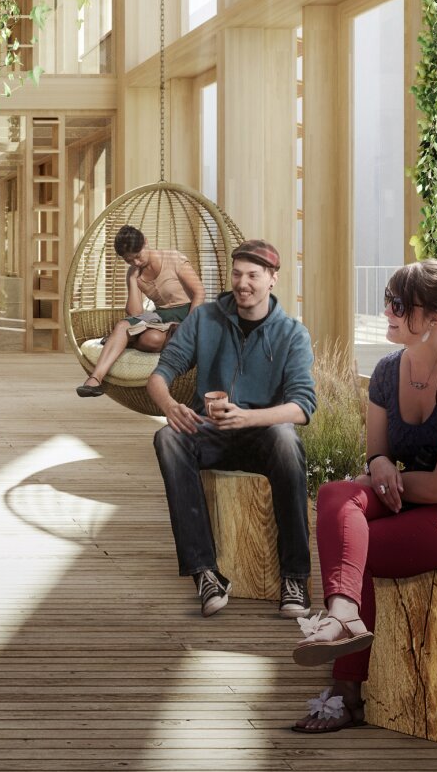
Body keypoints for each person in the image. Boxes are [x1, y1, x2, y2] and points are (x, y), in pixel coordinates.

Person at [290, 256, 437, 736]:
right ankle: (344, 614)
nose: (388, 311)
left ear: (435, 319)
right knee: (335, 495)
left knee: (361, 544)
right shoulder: (387, 370)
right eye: (387, 300)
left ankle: (346, 691)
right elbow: (377, 454)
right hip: (409, 493)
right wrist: (377, 468)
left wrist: (384, 477)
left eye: (400, 304)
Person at [148, 237, 317, 619]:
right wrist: (170, 406)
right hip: (210, 431)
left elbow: (302, 407)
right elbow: (160, 375)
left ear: (272, 278)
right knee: (168, 438)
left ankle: (295, 577)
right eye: (237, 274)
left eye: (253, 275)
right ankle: (205, 573)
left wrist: (249, 417)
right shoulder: (204, 318)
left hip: (263, 434)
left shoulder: (292, 334)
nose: (243, 283)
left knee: (287, 438)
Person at [78, 224, 203, 398]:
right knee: (123, 325)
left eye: (137, 256)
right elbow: (135, 312)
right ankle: (95, 380)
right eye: (129, 260)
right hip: (159, 316)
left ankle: (124, 341)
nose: (135, 262)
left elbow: (199, 292)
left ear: (145, 242)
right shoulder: (134, 272)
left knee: (151, 339)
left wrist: (190, 325)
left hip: (186, 314)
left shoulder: (173, 258)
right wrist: (132, 278)